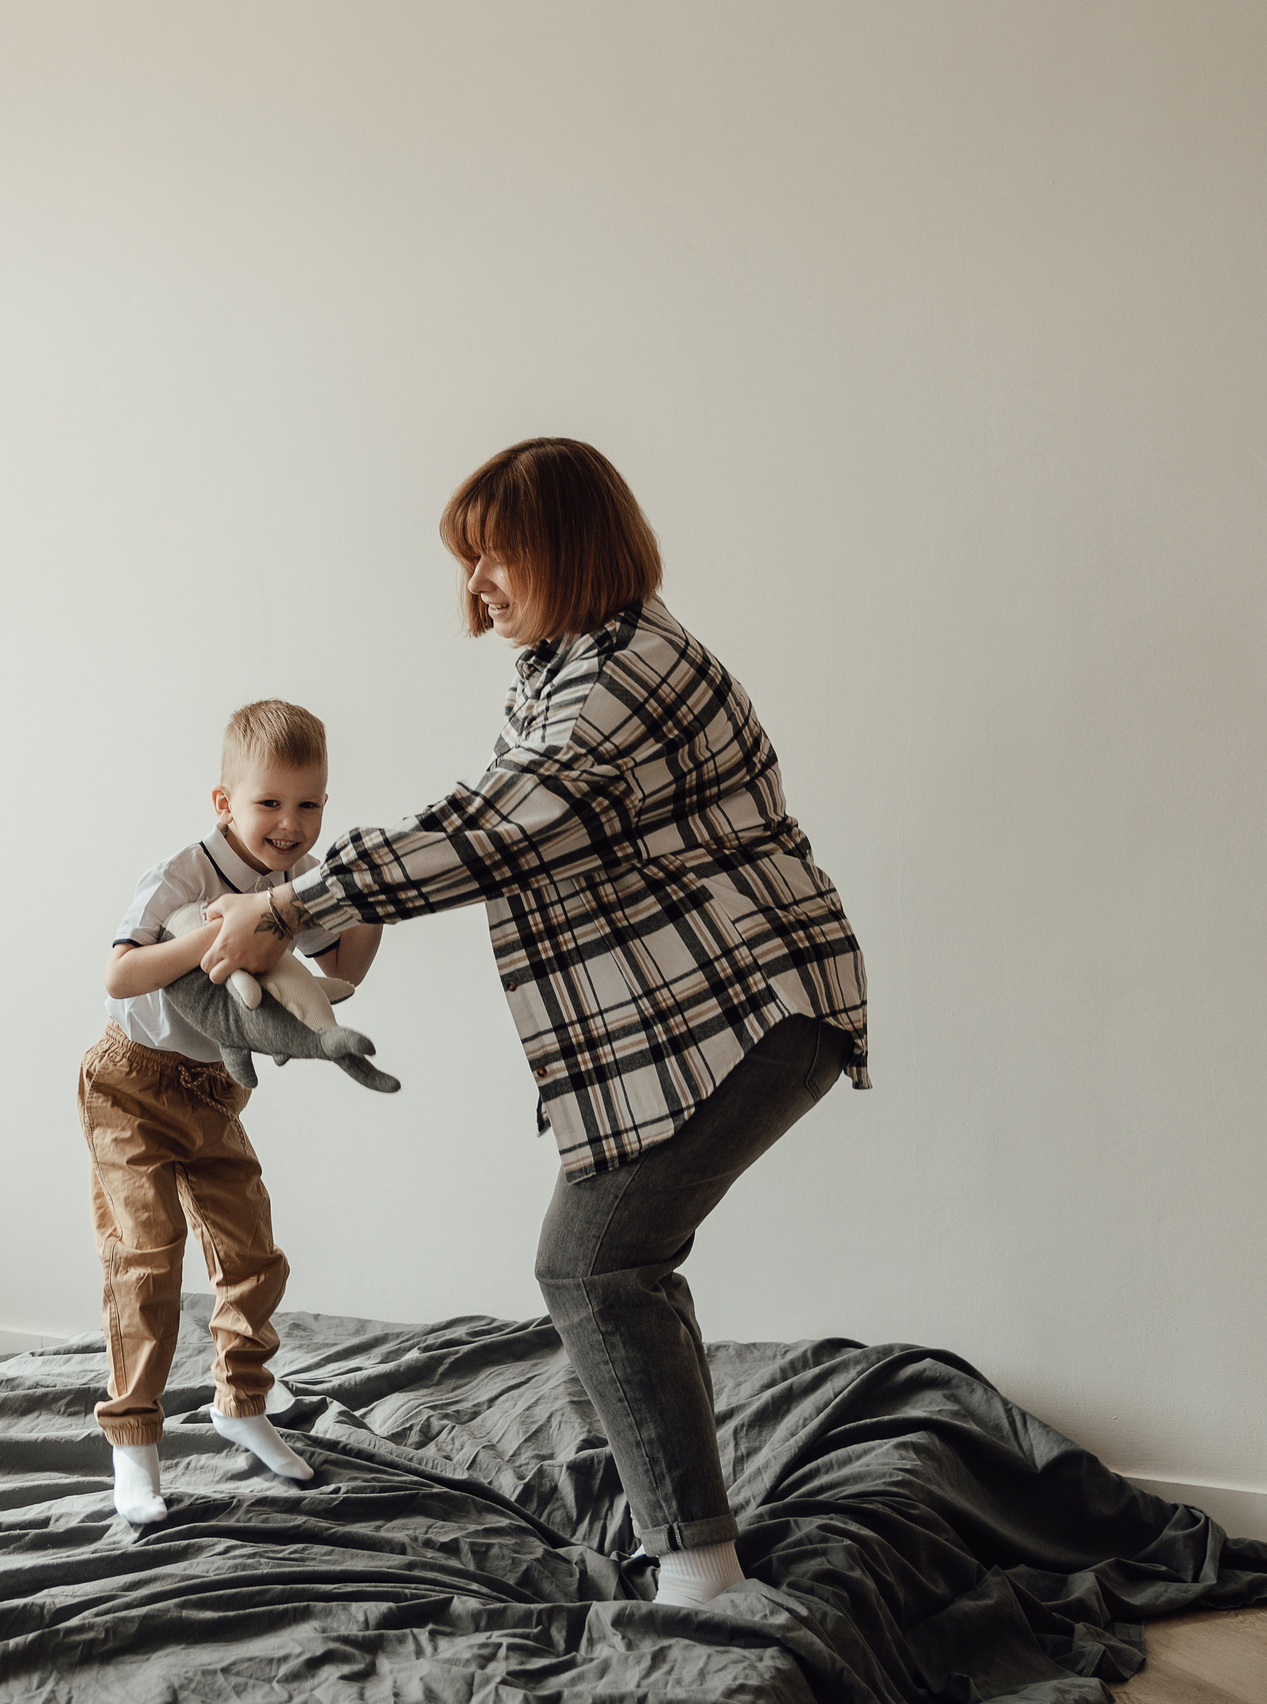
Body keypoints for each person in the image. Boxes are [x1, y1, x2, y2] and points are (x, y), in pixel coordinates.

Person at [200, 439, 868, 1607]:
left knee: (595, 1260)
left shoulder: (627, 676)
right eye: (468, 565)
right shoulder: (566, 666)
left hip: (756, 1005)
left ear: (565, 547)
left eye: (493, 558)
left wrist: (289, 900)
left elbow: (491, 828)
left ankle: (700, 1572)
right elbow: (492, 836)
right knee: (619, 1261)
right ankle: (692, 1538)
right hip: (700, 1017)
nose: (477, 588)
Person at [83, 700, 385, 1525]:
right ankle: (134, 1446)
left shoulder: (298, 881)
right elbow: (119, 977)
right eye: (270, 803)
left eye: (310, 804)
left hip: (217, 1091)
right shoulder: (184, 873)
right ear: (226, 803)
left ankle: (240, 1405)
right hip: (131, 1084)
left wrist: (368, 897)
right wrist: (221, 934)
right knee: (146, 1259)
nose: (290, 825)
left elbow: (344, 967)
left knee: (253, 1257)